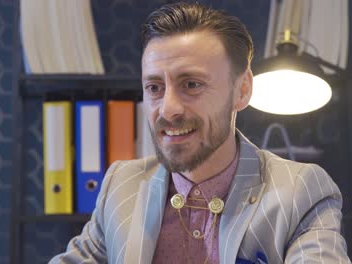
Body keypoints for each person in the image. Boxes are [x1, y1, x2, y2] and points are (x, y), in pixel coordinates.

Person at [50, 2, 350, 263]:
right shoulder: (121, 185)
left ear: (242, 90)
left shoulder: (302, 191)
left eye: (191, 84)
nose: (168, 110)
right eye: (154, 88)